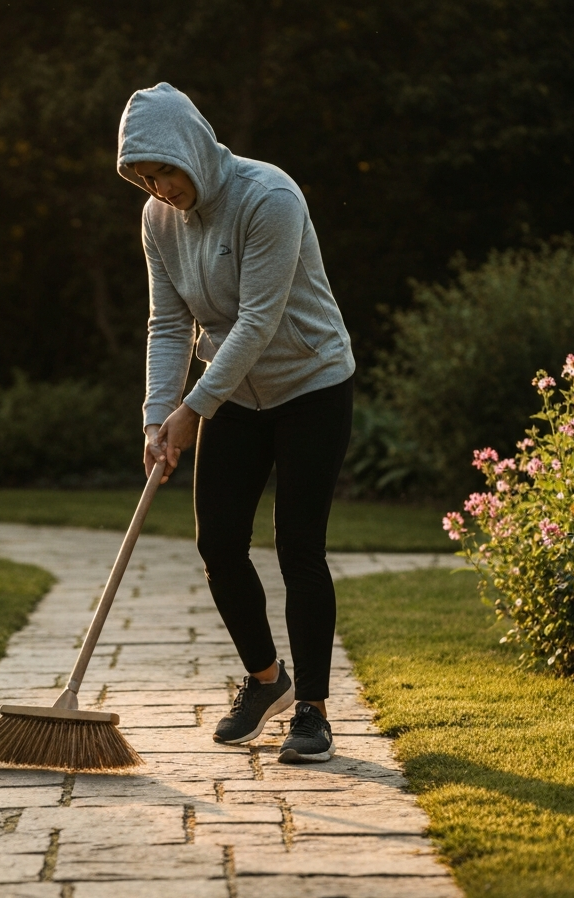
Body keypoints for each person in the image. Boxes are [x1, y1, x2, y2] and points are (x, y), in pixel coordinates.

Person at [117, 83, 355, 763]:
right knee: (219, 545)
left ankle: (312, 709)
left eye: (165, 170)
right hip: (234, 396)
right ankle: (265, 682)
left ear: (192, 147)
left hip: (311, 383)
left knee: (297, 546)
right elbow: (168, 324)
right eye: (144, 177)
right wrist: (156, 418)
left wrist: (194, 410)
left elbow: (258, 322)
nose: (160, 187)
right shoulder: (157, 220)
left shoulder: (268, 197)